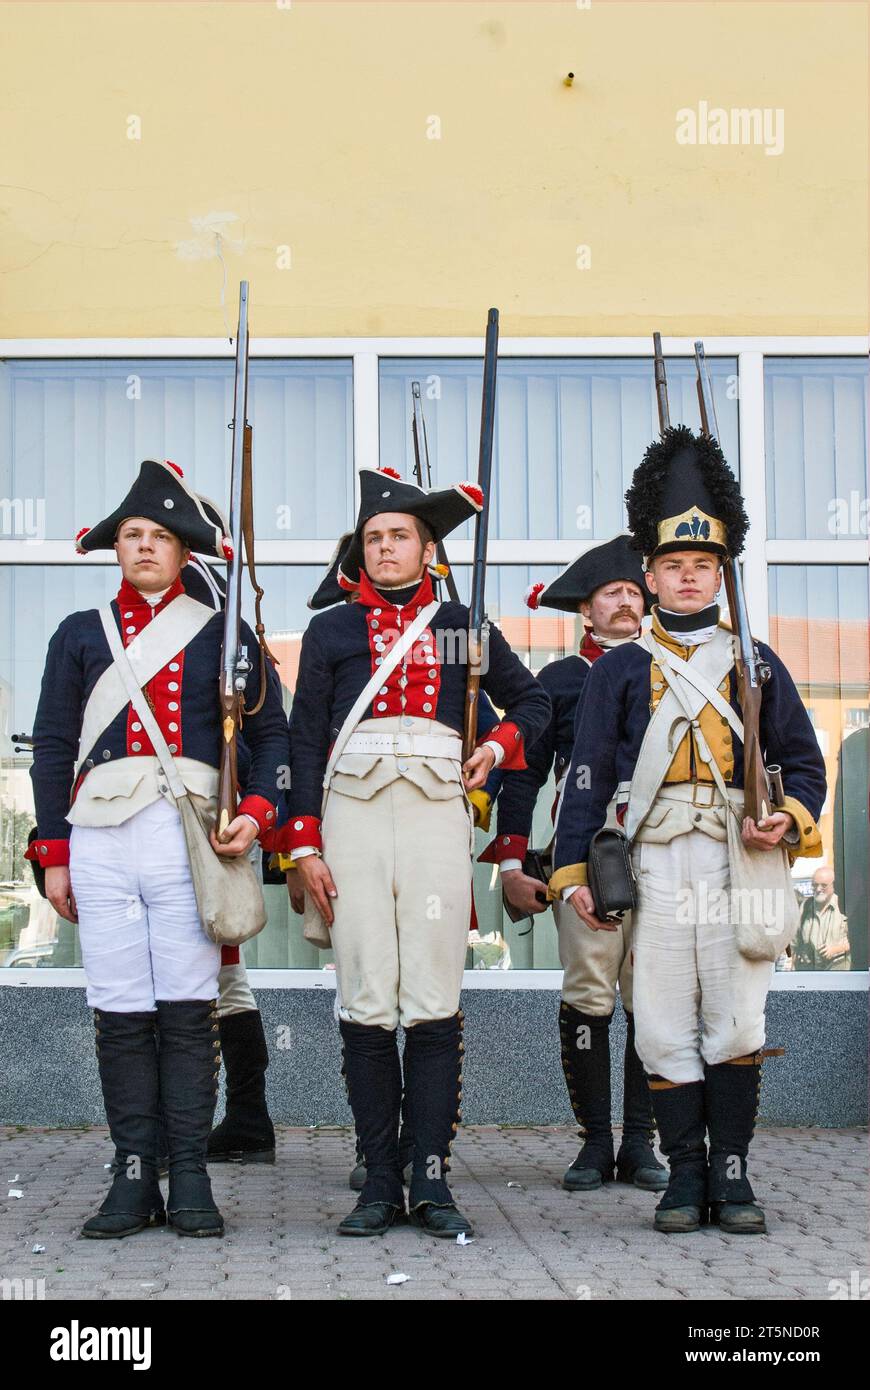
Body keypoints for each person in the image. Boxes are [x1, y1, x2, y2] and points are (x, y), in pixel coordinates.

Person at [551, 426, 826, 1235]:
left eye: (701, 566)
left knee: (737, 1016)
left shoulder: (756, 662)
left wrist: (790, 815)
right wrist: (572, 876)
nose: (686, 577)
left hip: (740, 858)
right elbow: (590, 782)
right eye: (673, 566)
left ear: (720, 572)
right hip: (658, 860)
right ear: (651, 573)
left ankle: (733, 1178)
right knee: (665, 1021)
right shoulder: (622, 670)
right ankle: (685, 1176)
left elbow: (805, 766)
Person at [283, 467, 550, 1237]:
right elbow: (305, 742)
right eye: (374, 537)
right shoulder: (331, 628)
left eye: (400, 535)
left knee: (433, 1000)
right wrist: (303, 843)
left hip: (436, 814)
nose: (386, 547)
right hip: (352, 820)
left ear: (428, 547)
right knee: (366, 1000)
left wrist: (497, 746)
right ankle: (377, 1181)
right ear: (360, 552)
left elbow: (531, 701)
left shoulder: (460, 623)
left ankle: (430, 1179)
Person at [27, 460, 289, 1237]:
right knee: (119, 1009)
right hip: (100, 834)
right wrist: (53, 851)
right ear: (117, 549)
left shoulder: (224, 631)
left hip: (191, 835)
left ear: (184, 555)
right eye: (132, 535)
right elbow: (50, 746)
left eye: (160, 537)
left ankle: (192, 1177)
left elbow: (271, 733)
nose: (143, 547)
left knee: (185, 1010)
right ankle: (134, 1174)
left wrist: (260, 810)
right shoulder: (80, 634)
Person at [481, 535, 666, 1193]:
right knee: (589, 994)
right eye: (610, 593)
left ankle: (642, 1144)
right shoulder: (559, 680)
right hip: (581, 856)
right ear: (586, 611)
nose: (623, 602)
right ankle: (596, 1142)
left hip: (663, 850)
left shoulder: (672, 669)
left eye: (632, 592)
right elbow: (525, 776)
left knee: (651, 996)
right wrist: (510, 862)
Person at [793, 867, 851, 970]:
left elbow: (860, 942)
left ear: (834, 885)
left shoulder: (845, 905)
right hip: (810, 970)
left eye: (823, 885)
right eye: (815, 885)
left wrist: (836, 949)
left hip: (839, 969)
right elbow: (795, 941)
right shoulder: (805, 907)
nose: (818, 889)